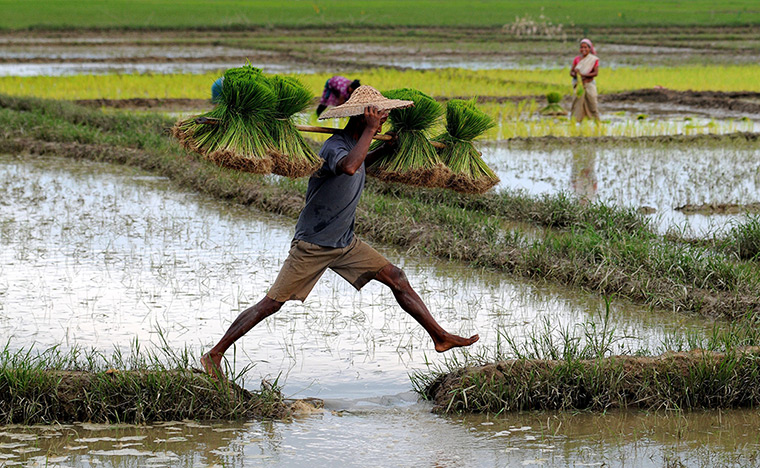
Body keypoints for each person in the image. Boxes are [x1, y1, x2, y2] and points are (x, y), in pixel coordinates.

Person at [201, 85, 479, 377]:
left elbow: (361, 165)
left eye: (383, 114)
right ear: (362, 116)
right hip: (315, 243)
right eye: (377, 114)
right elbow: (349, 167)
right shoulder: (335, 145)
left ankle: (439, 336)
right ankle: (215, 354)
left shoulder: (356, 144)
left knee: (396, 277)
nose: (383, 118)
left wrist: (384, 147)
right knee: (272, 304)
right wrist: (372, 133)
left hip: (345, 242)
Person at [570, 38, 600, 122]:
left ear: (590, 48)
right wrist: (575, 74)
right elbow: (571, 72)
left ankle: (597, 124)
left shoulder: (593, 59)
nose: (583, 49)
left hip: (589, 84)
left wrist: (583, 75)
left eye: (586, 47)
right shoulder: (577, 59)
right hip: (579, 86)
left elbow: (595, 73)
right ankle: (577, 123)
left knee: (592, 104)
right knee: (577, 106)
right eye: (581, 47)